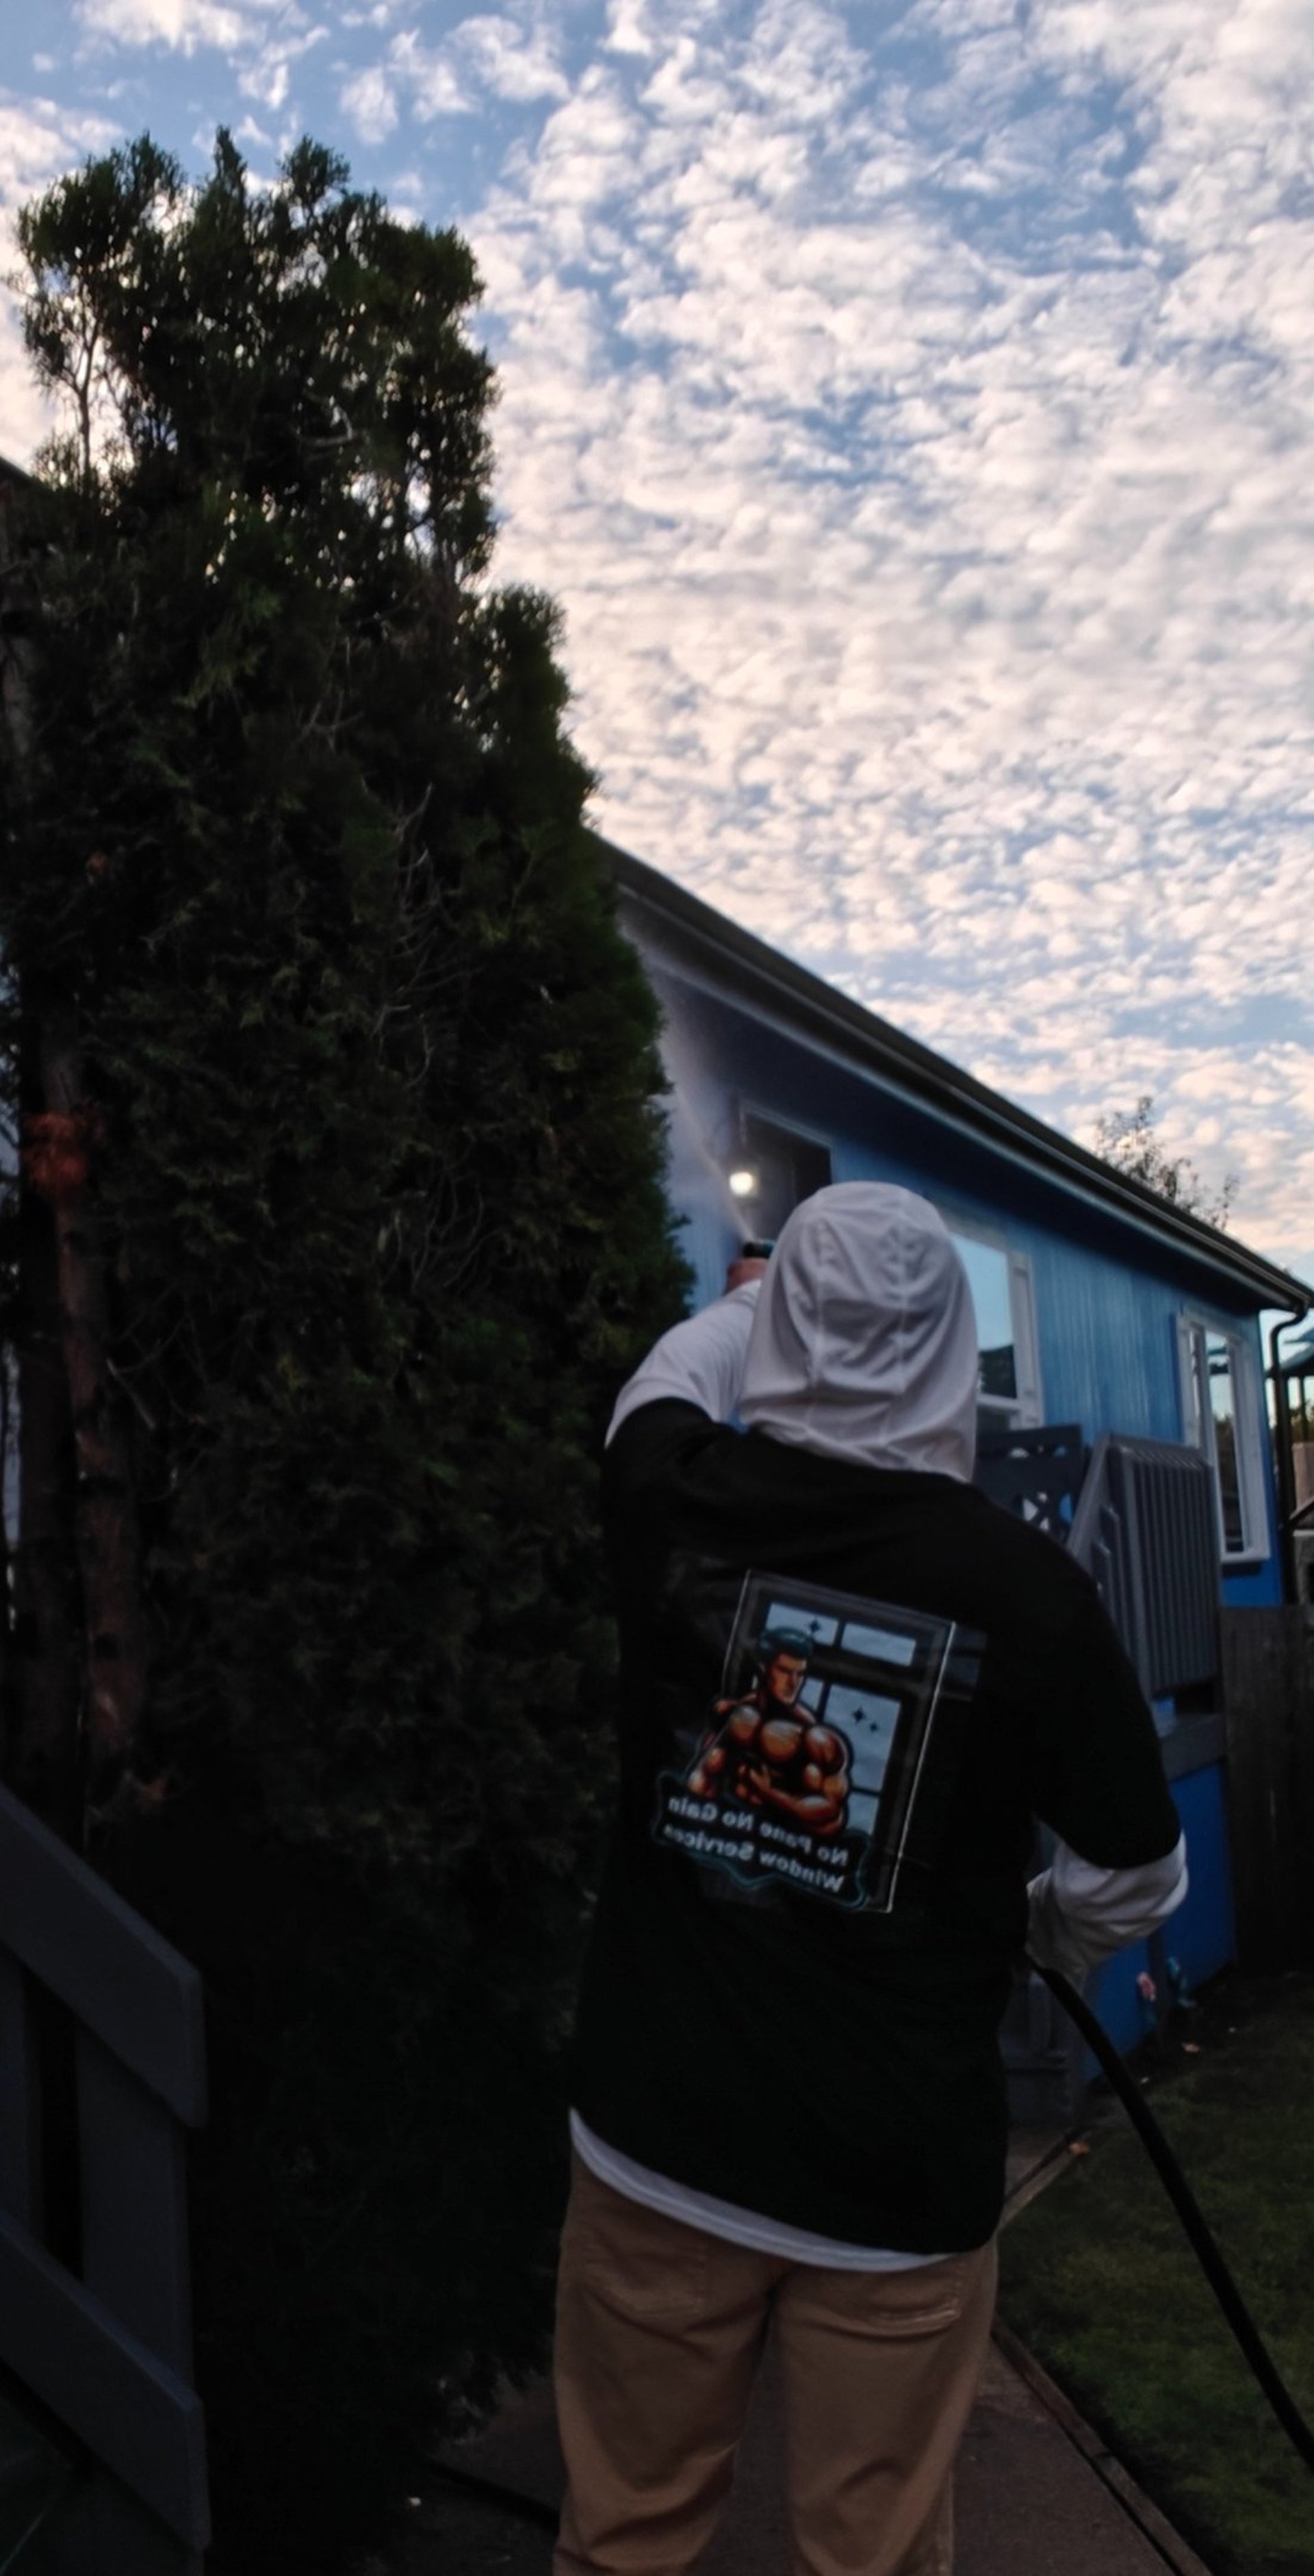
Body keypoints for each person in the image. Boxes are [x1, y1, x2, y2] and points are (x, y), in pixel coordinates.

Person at [554, 1183, 1187, 2576]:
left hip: (661, 2141)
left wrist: (751, 1296)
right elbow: (1136, 1871)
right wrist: (1038, 1939)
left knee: (623, 2543)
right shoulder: (1028, 1598)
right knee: (875, 2560)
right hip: (891, 2186)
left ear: (777, 1323)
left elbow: (666, 1378)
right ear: (956, 1345)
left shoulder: (673, 1502)